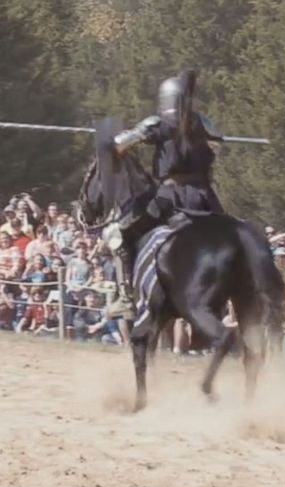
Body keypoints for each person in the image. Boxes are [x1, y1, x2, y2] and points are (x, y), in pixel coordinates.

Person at [103, 69, 225, 319]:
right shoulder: (203, 122)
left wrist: (114, 140)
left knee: (117, 232)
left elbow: (119, 145)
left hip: (171, 196)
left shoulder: (158, 123)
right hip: (205, 196)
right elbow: (218, 145)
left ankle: (126, 297)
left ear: (165, 100)